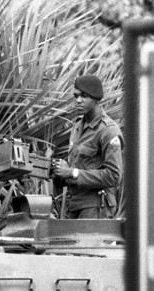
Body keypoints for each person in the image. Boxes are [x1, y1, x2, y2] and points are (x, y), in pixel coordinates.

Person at [52, 74, 123, 219]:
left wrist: (73, 173)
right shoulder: (78, 126)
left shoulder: (108, 131)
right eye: (76, 96)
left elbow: (114, 176)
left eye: (84, 96)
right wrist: (59, 171)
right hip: (72, 205)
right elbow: (75, 165)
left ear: (96, 98)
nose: (78, 100)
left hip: (96, 206)